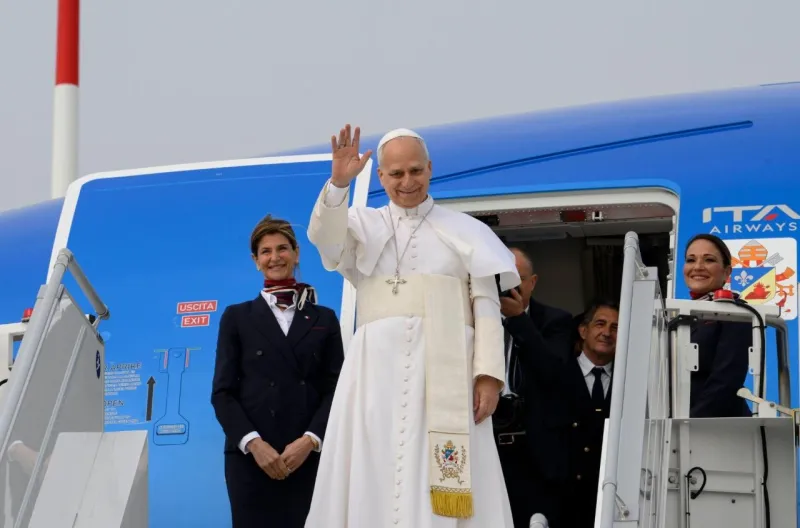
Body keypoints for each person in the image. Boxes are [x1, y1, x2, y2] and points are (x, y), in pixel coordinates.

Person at [304, 124, 520, 527]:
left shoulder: (468, 231)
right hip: (375, 375)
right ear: (381, 175)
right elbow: (325, 239)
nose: (407, 182)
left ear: (430, 168)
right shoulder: (361, 224)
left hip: (445, 376)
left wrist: (489, 376)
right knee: (374, 463)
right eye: (396, 173)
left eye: (416, 171)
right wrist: (338, 184)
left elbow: (487, 306)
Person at [211, 215, 345, 528]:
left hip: (308, 457)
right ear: (256, 261)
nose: (275, 257)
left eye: (282, 248)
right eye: (266, 251)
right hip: (251, 459)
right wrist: (255, 445)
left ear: (296, 254)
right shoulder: (237, 317)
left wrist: (309, 441)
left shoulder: (324, 318)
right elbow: (222, 393)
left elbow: (336, 389)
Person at [512, 300, 619, 528]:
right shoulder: (556, 374)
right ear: (583, 330)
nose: (607, 333)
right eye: (600, 324)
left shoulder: (627, 382)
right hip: (561, 507)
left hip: (610, 507)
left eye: (615, 327)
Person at [493, 247, 575, 527]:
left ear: (532, 282)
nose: (507, 286)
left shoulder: (556, 321)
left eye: (515, 278)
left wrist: (519, 320)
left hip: (537, 449)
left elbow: (553, 372)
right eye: (500, 278)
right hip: (490, 444)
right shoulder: (475, 321)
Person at [683, 233, 752, 418]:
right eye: (691, 260)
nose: (698, 267)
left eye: (709, 260)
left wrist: (689, 423)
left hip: (717, 426)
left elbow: (726, 381)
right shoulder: (680, 314)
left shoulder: (736, 313)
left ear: (727, 272)